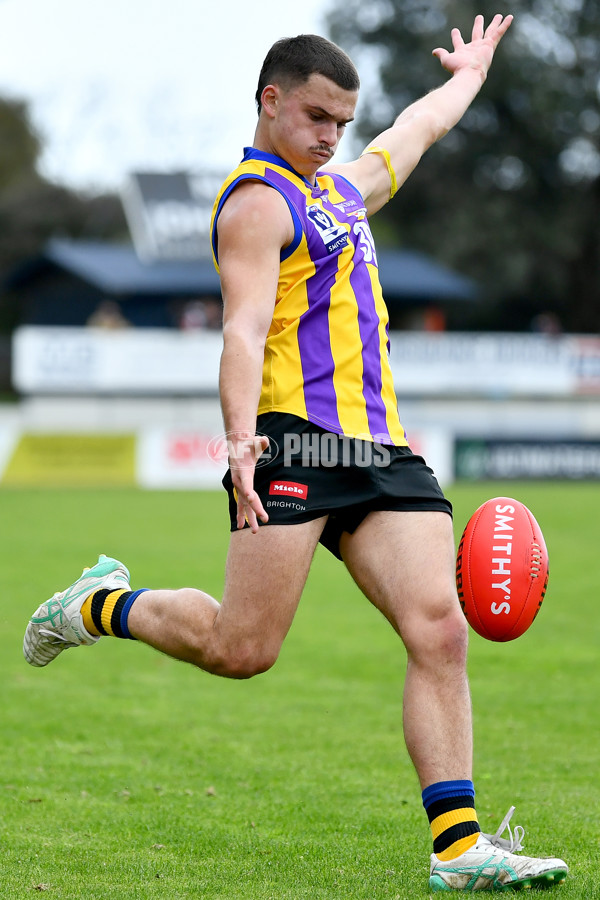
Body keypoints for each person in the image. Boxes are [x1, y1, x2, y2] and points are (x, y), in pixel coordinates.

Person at [24, 15, 568, 892]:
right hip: (294, 444)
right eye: (316, 117)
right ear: (270, 102)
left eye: (342, 124)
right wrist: (239, 442)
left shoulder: (342, 190)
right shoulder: (255, 203)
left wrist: (468, 77)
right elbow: (240, 332)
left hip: (382, 451)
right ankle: (100, 605)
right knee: (244, 649)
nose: (330, 137)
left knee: (439, 630)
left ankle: (460, 851)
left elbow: (415, 131)